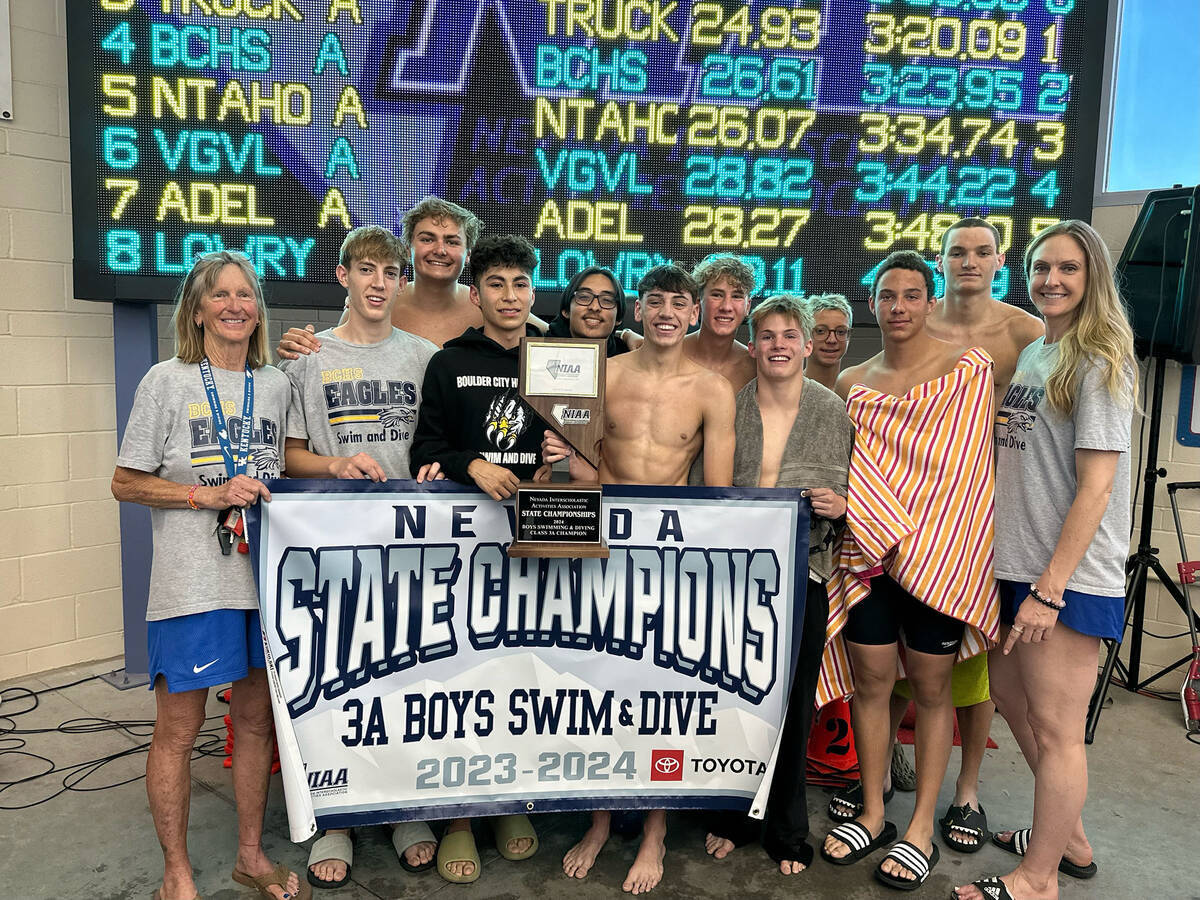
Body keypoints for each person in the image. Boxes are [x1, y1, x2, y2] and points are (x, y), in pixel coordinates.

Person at [110, 251, 306, 900]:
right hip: (191, 587)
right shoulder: (165, 381)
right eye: (219, 295)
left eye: (245, 295)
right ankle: (177, 874)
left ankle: (250, 856)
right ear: (197, 312)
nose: (233, 305)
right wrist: (203, 497)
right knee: (178, 730)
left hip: (263, 587)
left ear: (258, 310)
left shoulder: (275, 385)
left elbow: (292, 470)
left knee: (254, 724)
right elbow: (124, 482)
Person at [955, 220, 1135, 900]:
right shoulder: (1040, 352)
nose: (1051, 281)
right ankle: (1072, 839)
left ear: (1093, 278)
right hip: (1016, 567)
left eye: (1068, 269)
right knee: (1008, 696)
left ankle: (1038, 879)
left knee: (1059, 731)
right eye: (1041, 268)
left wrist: (1051, 589)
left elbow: (1096, 486)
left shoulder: (1100, 359)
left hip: (1062, 579)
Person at [545, 264, 736, 894]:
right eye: (653, 300)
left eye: (677, 303)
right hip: (600, 550)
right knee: (595, 692)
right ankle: (599, 821)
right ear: (640, 312)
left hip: (669, 558)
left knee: (665, 698)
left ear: (691, 315)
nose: (664, 312)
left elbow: (717, 495)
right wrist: (566, 462)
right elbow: (582, 472)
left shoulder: (713, 390)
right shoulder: (601, 374)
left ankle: (654, 832)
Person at [818, 250, 999, 891]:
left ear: (929, 301)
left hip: (942, 559)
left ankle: (921, 824)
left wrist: (926, 542)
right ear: (874, 303)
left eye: (912, 295)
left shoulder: (967, 370)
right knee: (870, 683)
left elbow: (963, 471)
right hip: (868, 558)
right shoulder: (853, 382)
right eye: (887, 295)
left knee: (930, 690)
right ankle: (873, 812)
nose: (899, 306)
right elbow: (851, 473)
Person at [279, 226, 439, 888]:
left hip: (412, 549)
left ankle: (402, 808)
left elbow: (442, 445)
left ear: (402, 282)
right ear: (342, 276)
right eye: (366, 269)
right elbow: (287, 454)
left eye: (390, 271)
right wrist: (335, 462)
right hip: (334, 548)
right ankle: (335, 817)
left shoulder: (428, 357)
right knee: (337, 684)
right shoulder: (308, 358)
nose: (379, 282)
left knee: (406, 682)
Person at [407, 234, 544, 882]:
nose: (510, 296)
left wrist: (563, 465)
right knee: (464, 678)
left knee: (525, 675)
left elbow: (580, 436)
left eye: (520, 284)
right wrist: (473, 463)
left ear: (532, 292)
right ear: (476, 293)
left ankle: (512, 799)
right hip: (464, 548)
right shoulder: (447, 362)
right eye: (497, 284)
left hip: (539, 542)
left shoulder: (560, 359)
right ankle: (460, 815)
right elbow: (424, 451)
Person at [701, 295, 853, 875]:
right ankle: (734, 814)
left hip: (806, 572)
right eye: (767, 335)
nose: (780, 344)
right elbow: (704, 491)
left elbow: (849, 497)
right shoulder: (729, 406)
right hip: (734, 577)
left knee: (792, 702)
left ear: (809, 345)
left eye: (791, 335)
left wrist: (840, 505)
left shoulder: (830, 410)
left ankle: (787, 827)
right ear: (754, 344)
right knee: (730, 695)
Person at [275, 197, 546, 356]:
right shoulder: (378, 305)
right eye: (428, 239)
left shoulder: (488, 306)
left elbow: (554, 335)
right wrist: (301, 345)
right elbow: (335, 352)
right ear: (408, 249)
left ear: (468, 254)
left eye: (452, 241)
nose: (440, 250)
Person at [622, 255, 757, 390]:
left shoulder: (756, 365)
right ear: (697, 303)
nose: (726, 307)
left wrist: (626, 334)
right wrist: (624, 335)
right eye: (716, 295)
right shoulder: (667, 350)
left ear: (748, 306)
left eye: (737, 296)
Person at [546, 265, 630, 357]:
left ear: (618, 318)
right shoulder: (538, 351)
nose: (594, 307)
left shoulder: (630, 358)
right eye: (584, 297)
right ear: (566, 311)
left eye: (606, 300)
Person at [804, 292, 854, 391]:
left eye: (840, 331)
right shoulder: (788, 390)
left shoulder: (856, 396)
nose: (832, 340)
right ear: (805, 334)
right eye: (821, 331)